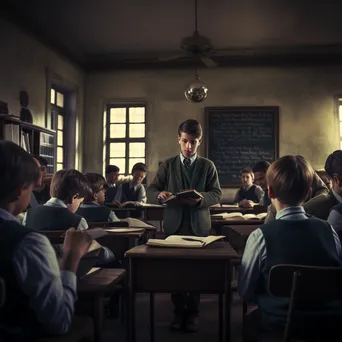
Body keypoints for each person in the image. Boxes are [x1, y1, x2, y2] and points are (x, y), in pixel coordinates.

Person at [239, 155, 342, 341]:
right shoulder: (330, 231)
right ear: (308, 192)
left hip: (280, 325)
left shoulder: (260, 237)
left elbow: (246, 292)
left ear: (269, 192)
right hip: (330, 326)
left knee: (248, 322)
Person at [0, 141, 92, 339]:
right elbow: (59, 320)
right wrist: (71, 258)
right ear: (19, 190)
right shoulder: (28, 244)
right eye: (32, 188)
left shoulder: (28, 220)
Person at [147, 119, 222, 333]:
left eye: (194, 142)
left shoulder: (207, 165)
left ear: (200, 141)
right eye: (185, 141)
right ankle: (179, 311)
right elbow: (152, 190)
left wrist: (201, 198)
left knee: (196, 271)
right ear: (178, 140)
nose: (189, 147)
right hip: (174, 224)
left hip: (199, 225)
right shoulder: (168, 165)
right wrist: (160, 196)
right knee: (176, 271)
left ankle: (194, 313)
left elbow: (216, 193)